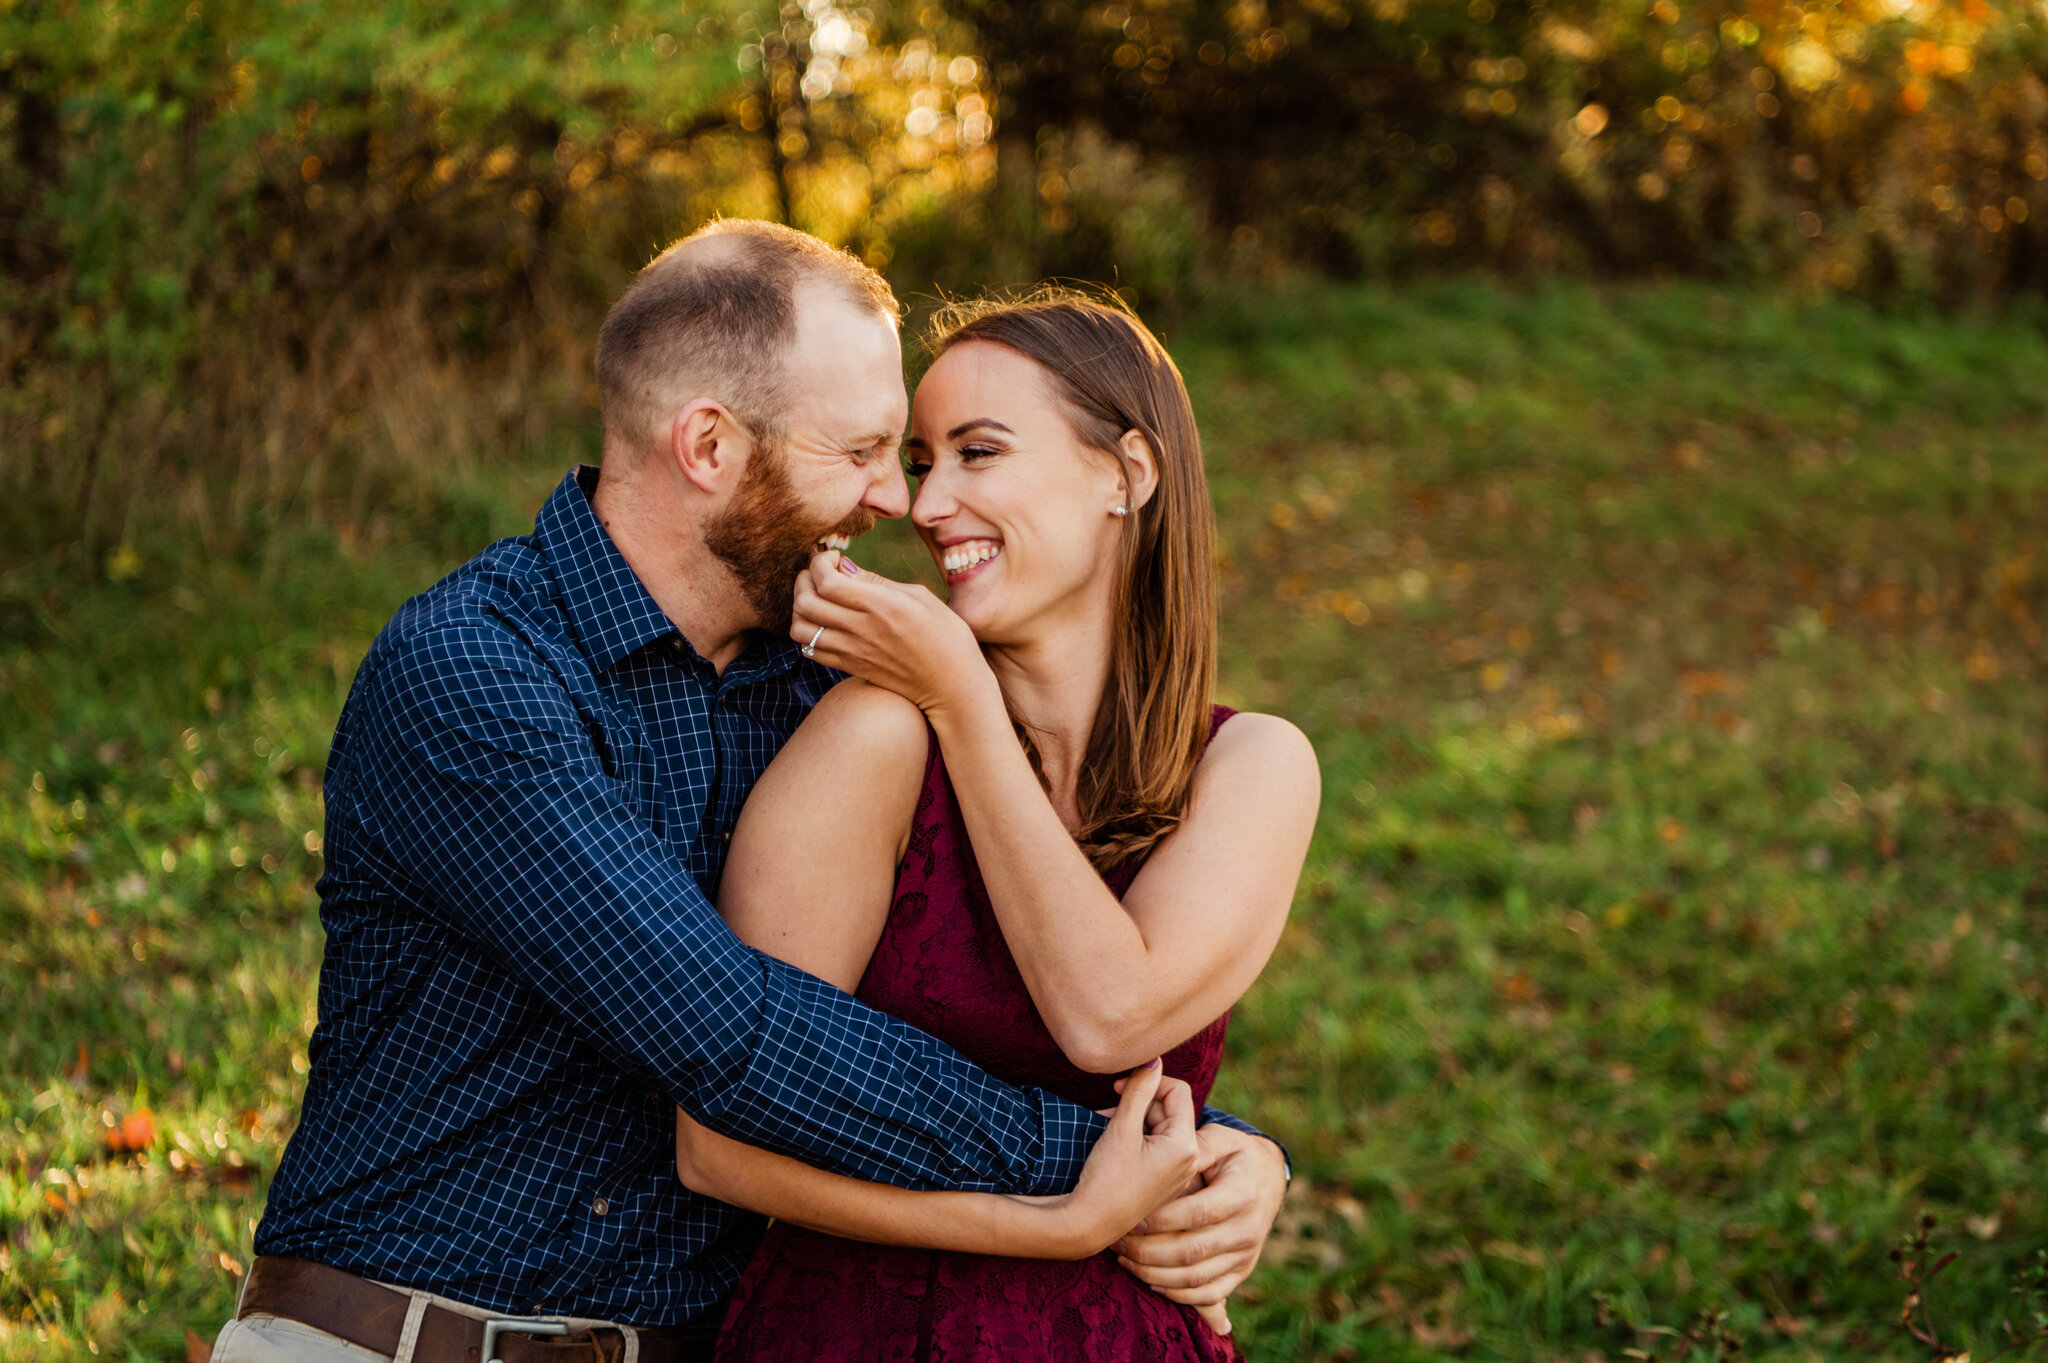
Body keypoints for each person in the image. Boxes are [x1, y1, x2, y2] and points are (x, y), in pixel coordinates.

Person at [215, 221, 1291, 1363]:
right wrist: (1135, 1154)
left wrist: (1236, 1158)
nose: (899, 503)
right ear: (710, 446)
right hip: (405, 1335)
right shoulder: (478, 673)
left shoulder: (813, 687)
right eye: (869, 450)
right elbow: (731, 1035)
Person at [669, 292, 1320, 1359]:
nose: (927, 507)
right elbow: (716, 1143)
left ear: (1126, 474)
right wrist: (1057, 1227)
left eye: (978, 453)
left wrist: (1242, 1154)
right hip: (863, 1331)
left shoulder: (1248, 767)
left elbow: (1111, 1017)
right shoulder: (875, 738)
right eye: (924, 464)